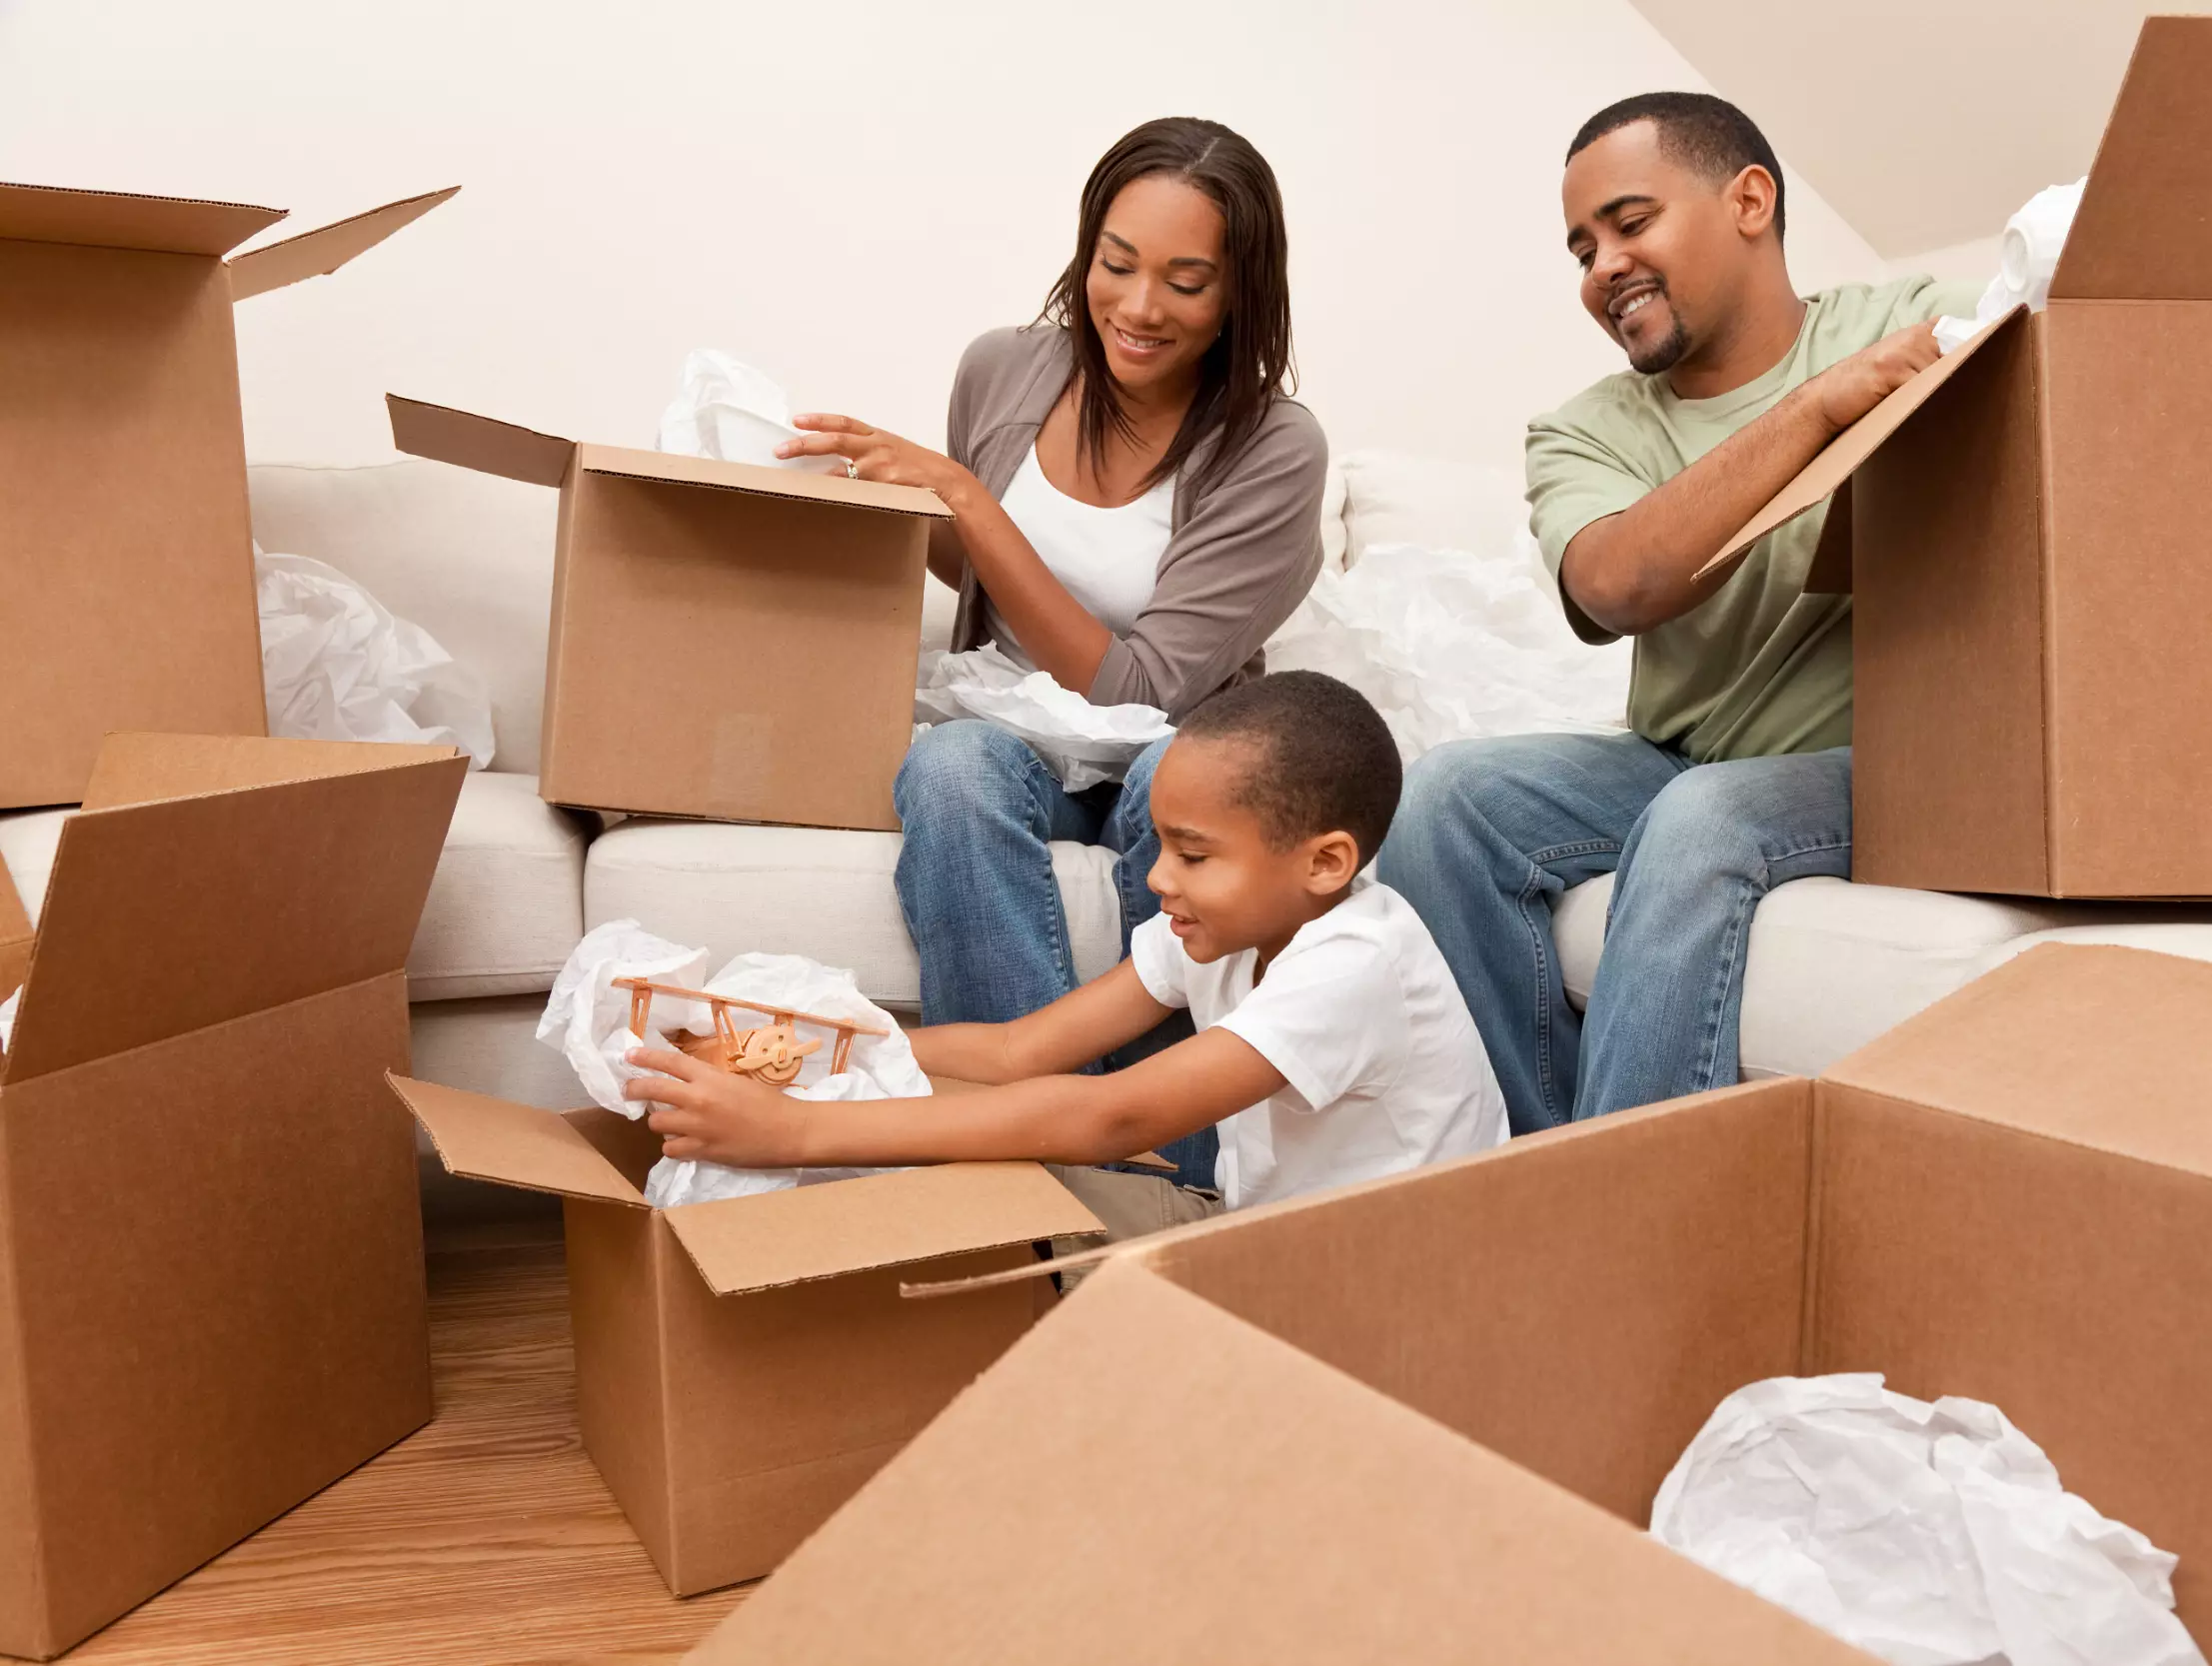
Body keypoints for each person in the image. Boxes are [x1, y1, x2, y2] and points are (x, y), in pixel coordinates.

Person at [1377, 92, 1979, 1133]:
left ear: (1749, 199)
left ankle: (1617, 1212)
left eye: (1629, 222)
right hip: (1680, 752)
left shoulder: (1903, 324)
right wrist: (1817, 407)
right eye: (1580, 249)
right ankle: (1549, 1168)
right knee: (1442, 798)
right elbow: (1617, 587)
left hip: (1877, 760)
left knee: (1701, 820)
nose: (1601, 266)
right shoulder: (1581, 431)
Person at [776, 118, 1327, 1188]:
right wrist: (873, 506)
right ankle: (1022, 1169)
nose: (1136, 306)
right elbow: (974, 574)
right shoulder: (1002, 368)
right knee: (949, 764)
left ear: (1240, 294)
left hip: (1171, 745)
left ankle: (1176, 1170)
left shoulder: (1274, 446)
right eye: (1114, 265)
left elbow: (1140, 686)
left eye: (1185, 280)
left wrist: (965, 498)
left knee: (1184, 784)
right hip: (1011, 727)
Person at [623, 673, 1506, 1243]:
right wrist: (811, 1040)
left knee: (966, 1228)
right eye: (1159, 844)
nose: (1158, 876)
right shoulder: (1219, 929)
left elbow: (1115, 1117)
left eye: (1193, 855)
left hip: (1374, 1291)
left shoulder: (1358, 961)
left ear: (1325, 862)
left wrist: (799, 1132)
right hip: (1254, 1231)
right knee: (938, 1198)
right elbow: (1017, 1051)